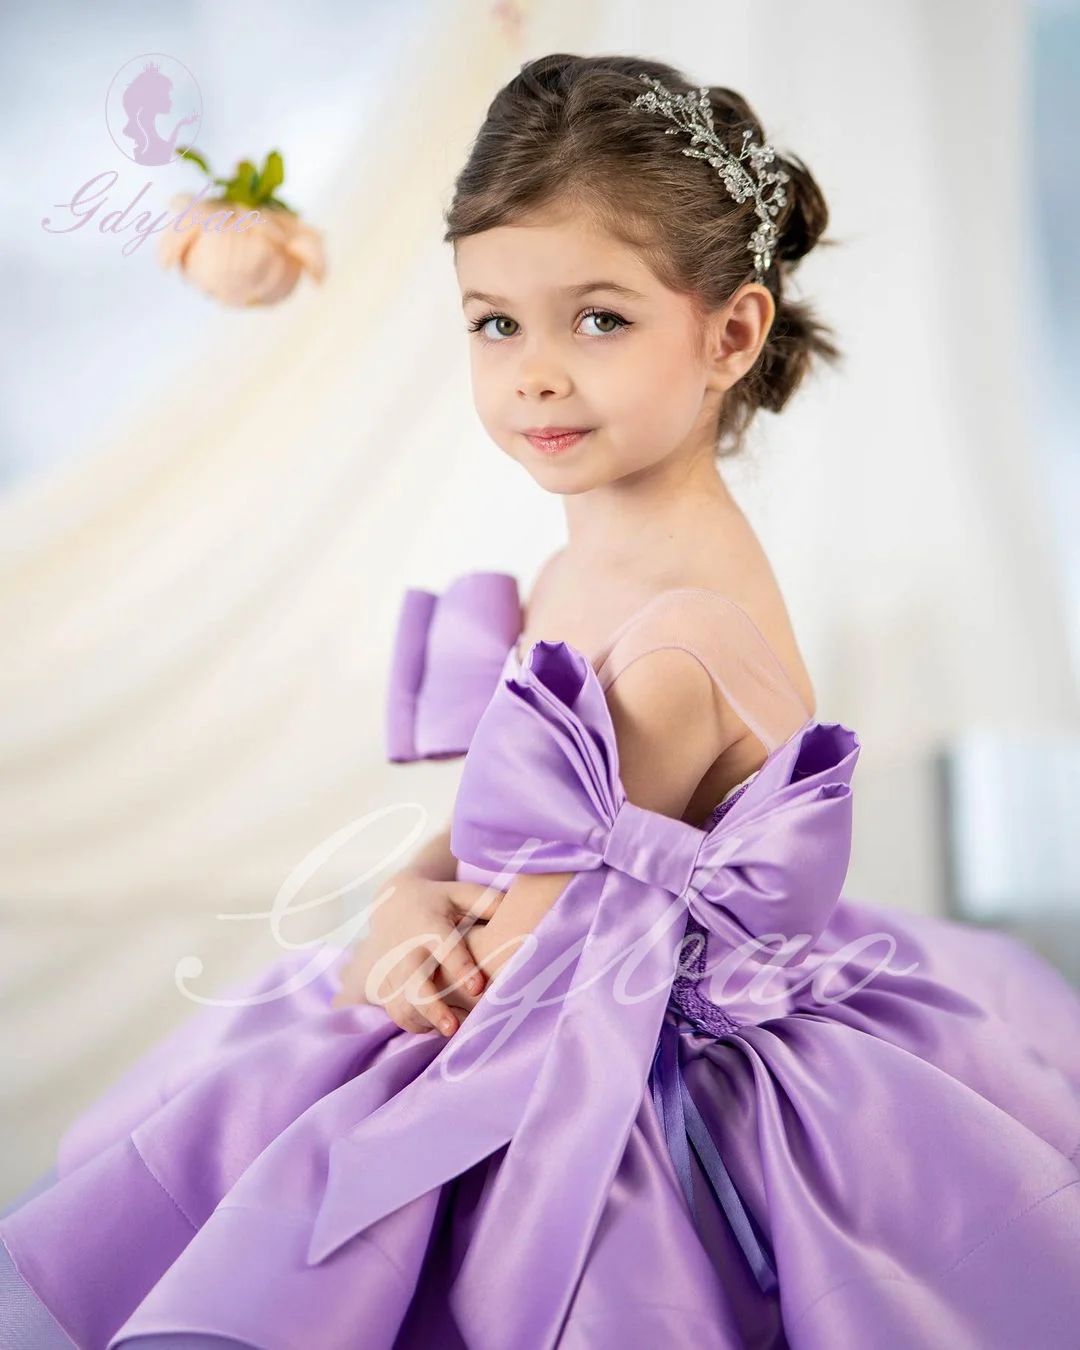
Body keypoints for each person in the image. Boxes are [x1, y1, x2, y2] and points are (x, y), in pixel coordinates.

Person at [4, 52, 1080, 1350]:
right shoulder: (587, 561)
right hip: (555, 962)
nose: (535, 374)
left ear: (730, 332)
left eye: (600, 319)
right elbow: (506, 816)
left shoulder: (679, 646)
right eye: (496, 321)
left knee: (338, 1161)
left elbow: (523, 967)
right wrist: (416, 877)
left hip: (611, 1052)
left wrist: (395, 948)